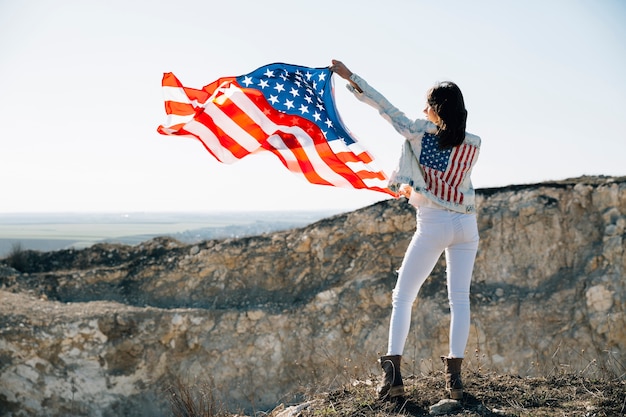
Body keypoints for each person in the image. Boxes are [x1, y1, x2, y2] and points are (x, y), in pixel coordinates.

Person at [330, 60, 481, 401]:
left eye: (427, 104)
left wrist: (350, 77)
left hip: (434, 224)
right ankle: (455, 383)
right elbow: (450, 170)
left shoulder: (418, 132)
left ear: (437, 110)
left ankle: (394, 378)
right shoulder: (473, 143)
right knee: (459, 300)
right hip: (466, 226)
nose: (422, 109)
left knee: (403, 297)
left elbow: (384, 107)